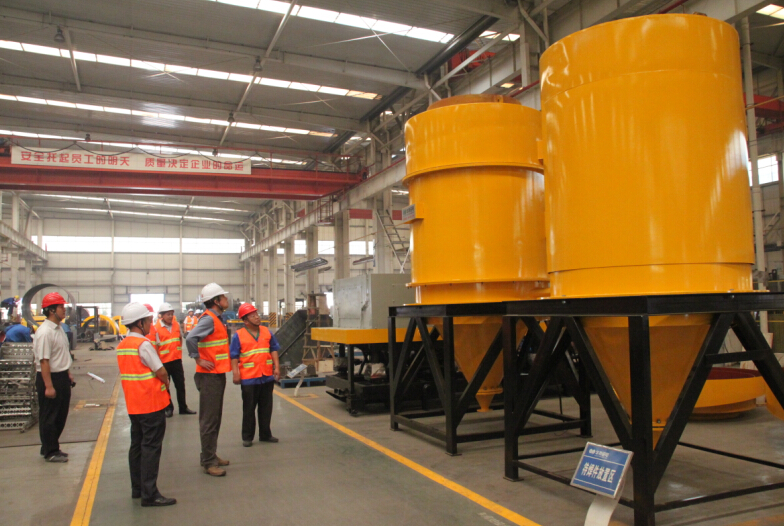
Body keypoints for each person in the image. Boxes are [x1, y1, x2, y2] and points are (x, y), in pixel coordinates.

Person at [117, 302, 176, 507]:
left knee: (137, 446)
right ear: (139, 323)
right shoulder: (143, 344)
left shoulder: (123, 345)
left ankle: (138, 488)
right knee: (151, 447)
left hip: (134, 404)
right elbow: (161, 371)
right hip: (150, 403)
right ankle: (150, 494)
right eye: (148, 321)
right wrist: (166, 382)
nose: (151, 324)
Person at [185, 283, 232, 477]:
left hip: (217, 374)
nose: (226, 299)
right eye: (223, 297)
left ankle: (210, 454)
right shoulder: (209, 319)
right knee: (209, 420)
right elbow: (190, 338)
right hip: (209, 377)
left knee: (215, 417)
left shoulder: (217, 318)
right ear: (216, 301)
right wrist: (197, 358)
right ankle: (208, 462)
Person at [230, 303, 280, 447]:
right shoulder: (239, 335)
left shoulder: (266, 331)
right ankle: (247, 437)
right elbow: (234, 356)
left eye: (256, 314)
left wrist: (277, 367)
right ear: (245, 321)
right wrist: (235, 373)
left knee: (266, 408)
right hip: (249, 378)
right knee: (249, 409)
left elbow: (274, 349)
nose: (257, 317)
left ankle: (265, 434)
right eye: (253, 316)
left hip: (266, 376)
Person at [33, 292, 72, 463]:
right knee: (50, 416)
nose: (64, 309)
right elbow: (44, 361)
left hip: (61, 376)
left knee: (60, 415)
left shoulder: (59, 329)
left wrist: (68, 373)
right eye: (61, 306)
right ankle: (50, 451)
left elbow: (61, 354)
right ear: (51, 310)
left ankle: (50, 446)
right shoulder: (45, 332)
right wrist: (48, 386)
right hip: (49, 378)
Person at [150, 303, 195, 418]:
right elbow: (156, 346)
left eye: (171, 314)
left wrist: (177, 352)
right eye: (168, 314)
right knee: (166, 386)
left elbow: (180, 339)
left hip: (176, 360)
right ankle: (168, 408)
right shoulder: (156, 328)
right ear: (162, 315)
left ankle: (183, 407)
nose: (170, 316)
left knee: (180, 385)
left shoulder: (176, 325)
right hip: (164, 362)